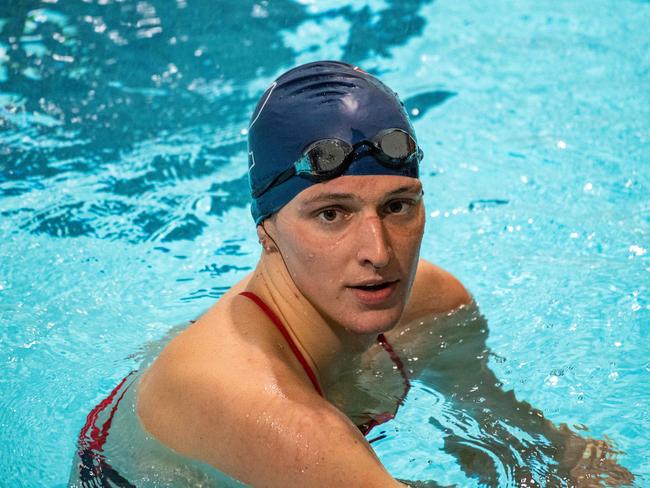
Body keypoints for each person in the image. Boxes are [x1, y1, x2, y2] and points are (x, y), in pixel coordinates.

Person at [72, 61, 633, 487]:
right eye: (330, 214)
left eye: (398, 206)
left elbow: (513, 444)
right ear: (266, 229)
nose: (379, 253)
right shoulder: (280, 420)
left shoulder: (433, 304)